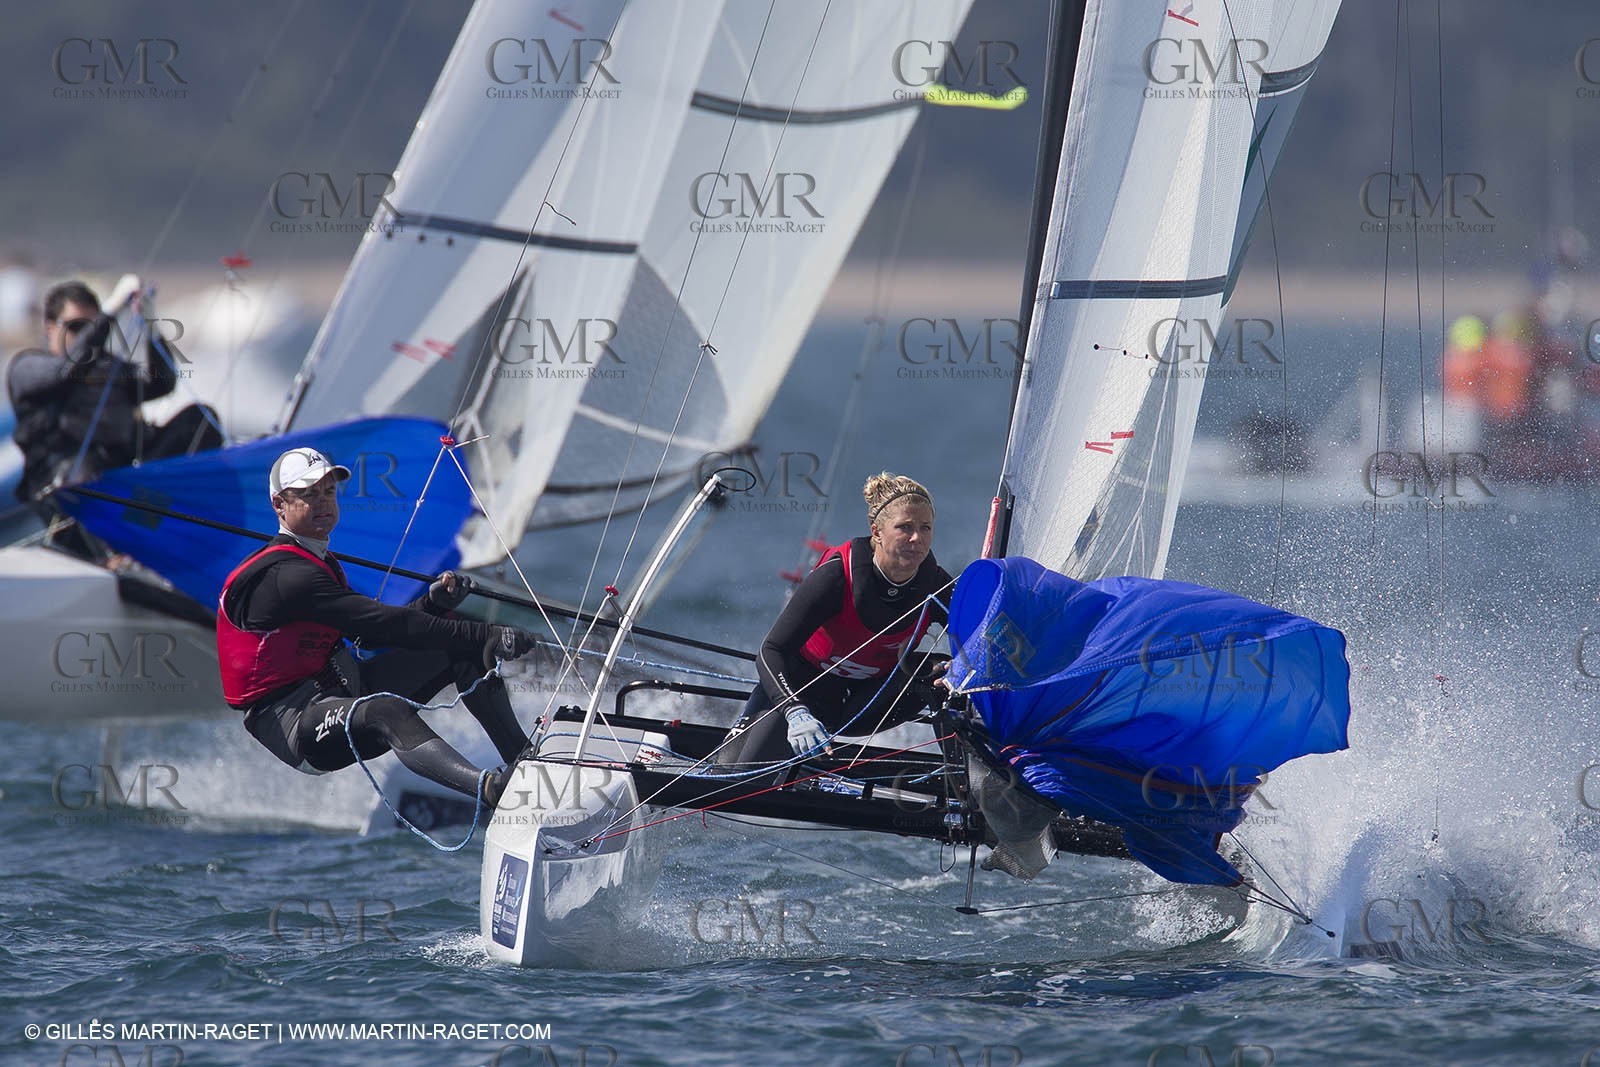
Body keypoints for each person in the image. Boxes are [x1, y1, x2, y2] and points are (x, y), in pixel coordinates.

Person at [217, 446, 541, 807]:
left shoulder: (314, 561)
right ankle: (492, 790)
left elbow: (367, 635)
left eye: (328, 491)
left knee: (462, 650)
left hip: (345, 685)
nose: (322, 502)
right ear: (280, 505)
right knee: (386, 709)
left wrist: (434, 606)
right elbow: (383, 625)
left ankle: (527, 764)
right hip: (297, 724)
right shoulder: (288, 577)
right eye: (308, 494)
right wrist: (487, 634)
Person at [721, 472, 953, 770]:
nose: (916, 539)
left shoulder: (936, 585)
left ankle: (968, 784)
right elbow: (771, 650)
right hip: (802, 692)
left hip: (866, 703)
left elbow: (983, 638)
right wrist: (794, 712)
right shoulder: (836, 576)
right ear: (877, 532)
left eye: (925, 528)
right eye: (904, 527)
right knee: (734, 777)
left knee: (948, 671)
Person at [7, 275, 222, 511]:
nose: (86, 336)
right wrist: (109, 312)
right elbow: (65, 371)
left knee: (201, 419)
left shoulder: (109, 369)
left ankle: (182, 514)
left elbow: (161, 385)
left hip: (125, 485)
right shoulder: (27, 367)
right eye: (76, 327)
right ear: (50, 329)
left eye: (93, 327)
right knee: (82, 470)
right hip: (70, 491)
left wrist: (151, 327)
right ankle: (119, 537)